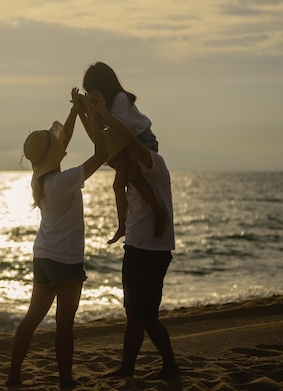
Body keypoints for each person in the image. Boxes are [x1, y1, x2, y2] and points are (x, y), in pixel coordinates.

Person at [5, 88, 108, 389]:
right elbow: (101, 155)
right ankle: (65, 383)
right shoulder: (64, 182)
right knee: (65, 325)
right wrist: (95, 115)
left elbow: (61, 144)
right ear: (54, 156)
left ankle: (13, 377)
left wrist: (76, 112)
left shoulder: (40, 180)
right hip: (66, 260)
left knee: (31, 319)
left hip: (44, 257)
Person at [90, 90, 182, 385]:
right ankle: (127, 368)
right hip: (136, 245)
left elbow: (129, 140)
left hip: (155, 249)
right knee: (133, 313)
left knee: (147, 315)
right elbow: (100, 145)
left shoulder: (155, 163)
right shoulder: (128, 173)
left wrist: (103, 113)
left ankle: (170, 365)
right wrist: (84, 111)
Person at [81, 62, 167, 245]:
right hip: (123, 145)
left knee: (135, 176)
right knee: (118, 184)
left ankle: (159, 211)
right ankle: (123, 225)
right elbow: (98, 139)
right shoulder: (104, 107)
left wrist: (99, 112)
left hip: (142, 140)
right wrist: (85, 113)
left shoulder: (120, 99)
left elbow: (120, 127)